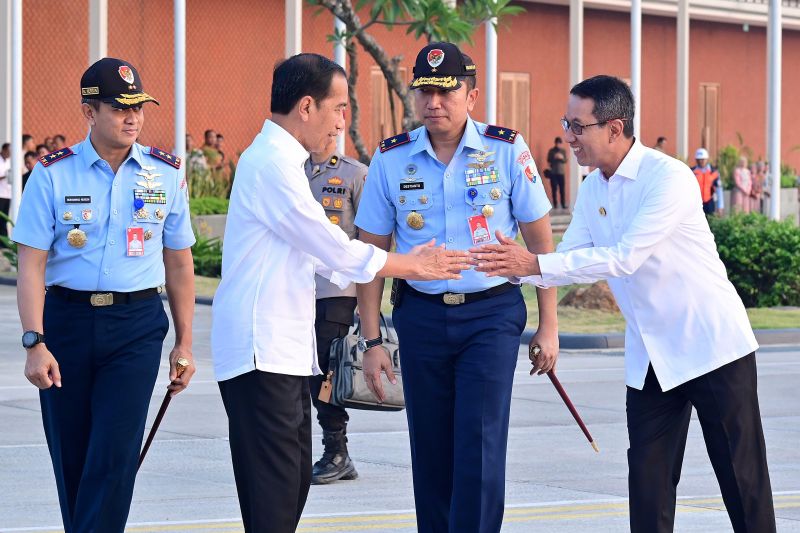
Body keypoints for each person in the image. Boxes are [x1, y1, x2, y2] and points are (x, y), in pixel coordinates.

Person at [471, 74, 776, 533]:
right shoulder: (594, 187)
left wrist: (532, 262)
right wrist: (512, 266)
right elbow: (569, 259)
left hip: (712, 347)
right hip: (651, 357)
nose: (569, 136)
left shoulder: (668, 177)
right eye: (566, 124)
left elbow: (624, 258)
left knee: (741, 479)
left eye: (578, 126)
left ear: (614, 128)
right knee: (648, 487)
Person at [210, 53, 470, 533]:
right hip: (260, 350)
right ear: (307, 106)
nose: (340, 122)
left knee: (291, 484)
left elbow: (318, 252)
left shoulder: (285, 161)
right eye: (338, 108)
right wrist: (412, 265)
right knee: (274, 496)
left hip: (282, 350)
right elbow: (330, 246)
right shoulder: (271, 164)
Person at [355, 42, 558, 533]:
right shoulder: (391, 158)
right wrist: (372, 340)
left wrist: (549, 325)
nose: (434, 103)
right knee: (430, 446)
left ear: (472, 95)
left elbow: (540, 243)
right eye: (424, 92)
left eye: (446, 92)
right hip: (421, 317)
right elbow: (370, 255)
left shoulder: (506, 150)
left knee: (480, 441)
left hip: (490, 314)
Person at [14, 57, 197, 532]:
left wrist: (184, 343)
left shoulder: (165, 173)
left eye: (138, 107)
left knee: (115, 453)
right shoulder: (52, 174)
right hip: (66, 324)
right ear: (89, 111)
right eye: (119, 108)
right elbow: (31, 264)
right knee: (72, 455)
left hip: (135, 325)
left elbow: (179, 262)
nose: (132, 117)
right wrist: (35, 342)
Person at [304, 136, 367, 485]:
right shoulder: (291, 170)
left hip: (336, 290)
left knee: (327, 371)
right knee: (298, 372)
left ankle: (337, 451)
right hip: (296, 288)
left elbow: (371, 236)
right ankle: (306, 450)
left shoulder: (355, 174)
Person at [691, 147, 719, 215]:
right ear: (696, 160)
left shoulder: (713, 172)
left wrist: (720, 206)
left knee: (710, 220)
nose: (701, 161)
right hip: (695, 202)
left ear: (707, 159)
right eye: (699, 159)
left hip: (709, 202)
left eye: (703, 159)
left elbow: (719, 189)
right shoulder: (691, 172)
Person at [546, 136, 567, 209]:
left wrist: (561, 158)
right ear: (555, 143)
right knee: (554, 189)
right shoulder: (551, 151)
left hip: (561, 173)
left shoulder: (563, 151)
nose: (558, 144)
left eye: (559, 143)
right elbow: (548, 160)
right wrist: (554, 157)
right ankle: (555, 204)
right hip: (553, 173)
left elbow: (565, 160)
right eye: (557, 143)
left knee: (562, 189)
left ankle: (563, 204)